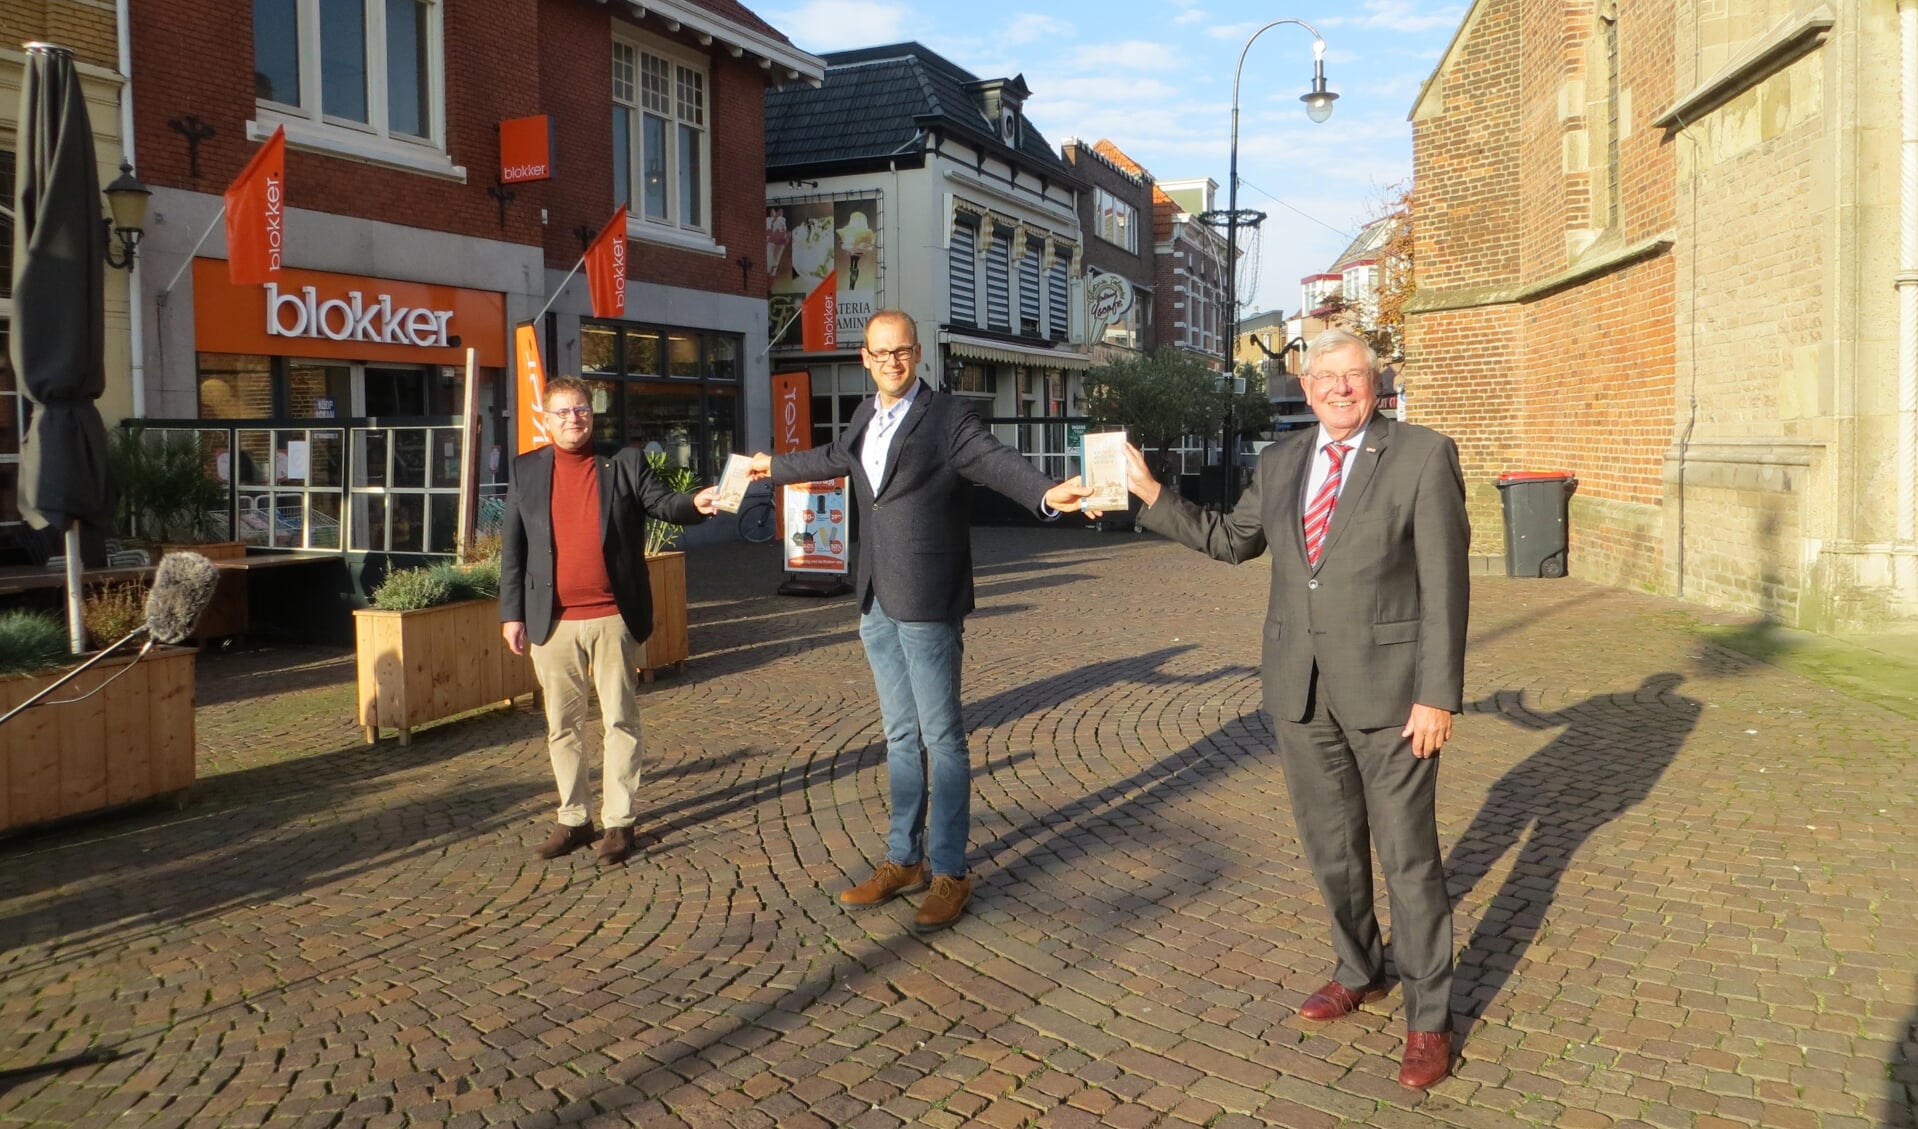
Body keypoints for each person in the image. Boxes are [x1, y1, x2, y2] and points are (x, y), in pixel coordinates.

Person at [1106, 327, 1470, 1090]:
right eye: (1325, 377)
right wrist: (1150, 495)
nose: (1340, 388)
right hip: (1300, 688)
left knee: (1408, 857)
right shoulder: (1279, 463)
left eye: (1354, 375)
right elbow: (1230, 539)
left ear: (1378, 383)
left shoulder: (1420, 455)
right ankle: (1359, 967)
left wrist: (1437, 692)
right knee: (1331, 847)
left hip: (1394, 694)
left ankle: (1429, 1019)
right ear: (1305, 390)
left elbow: (1445, 584)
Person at [747, 309, 1092, 933]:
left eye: (902, 351)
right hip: (875, 595)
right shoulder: (863, 415)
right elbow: (830, 456)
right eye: (880, 353)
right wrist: (766, 466)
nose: (892, 362)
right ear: (865, 358)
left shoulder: (948, 417)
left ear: (917, 353)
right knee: (899, 737)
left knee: (942, 739)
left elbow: (994, 461)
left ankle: (952, 870)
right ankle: (903, 859)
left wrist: (1045, 492)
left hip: (930, 598)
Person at [500, 377, 717, 866]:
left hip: (613, 615)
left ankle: (619, 823)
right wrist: (511, 613)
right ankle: (574, 820)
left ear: (590, 415)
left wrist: (697, 504)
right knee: (562, 725)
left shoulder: (623, 462)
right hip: (550, 622)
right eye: (562, 412)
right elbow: (512, 548)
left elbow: (663, 503)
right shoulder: (526, 469)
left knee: (620, 720)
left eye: (580, 409)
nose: (573, 419)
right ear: (546, 419)